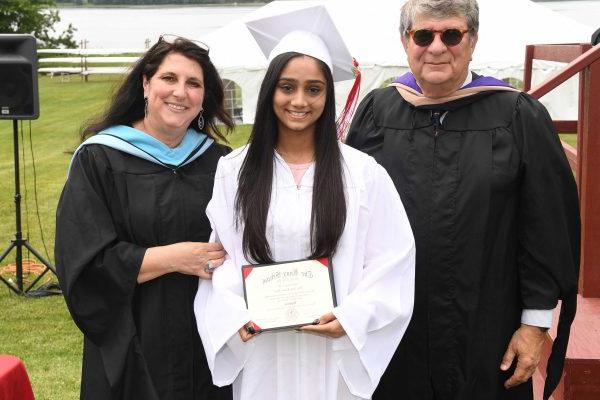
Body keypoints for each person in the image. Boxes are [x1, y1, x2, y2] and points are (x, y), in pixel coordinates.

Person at [346, 0, 580, 399]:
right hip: (394, 324)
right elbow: (348, 213)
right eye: (424, 35)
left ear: (472, 40)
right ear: (406, 41)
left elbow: (545, 226)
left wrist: (535, 324)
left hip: (489, 324)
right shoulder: (377, 112)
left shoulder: (517, 116)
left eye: (451, 34)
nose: (436, 47)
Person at [193, 5, 416, 400]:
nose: (299, 100)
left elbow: (393, 259)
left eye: (314, 89)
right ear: (269, 91)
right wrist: (233, 316)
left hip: (331, 351)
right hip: (264, 351)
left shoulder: (362, 173)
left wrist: (353, 317)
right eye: (287, 87)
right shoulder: (234, 171)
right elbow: (223, 257)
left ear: (328, 96)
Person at [55, 35, 234, 400]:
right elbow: (84, 261)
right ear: (146, 83)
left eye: (193, 83)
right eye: (169, 78)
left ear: (205, 98)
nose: (180, 92)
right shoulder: (100, 159)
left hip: (209, 341)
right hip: (134, 338)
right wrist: (174, 258)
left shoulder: (222, 163)